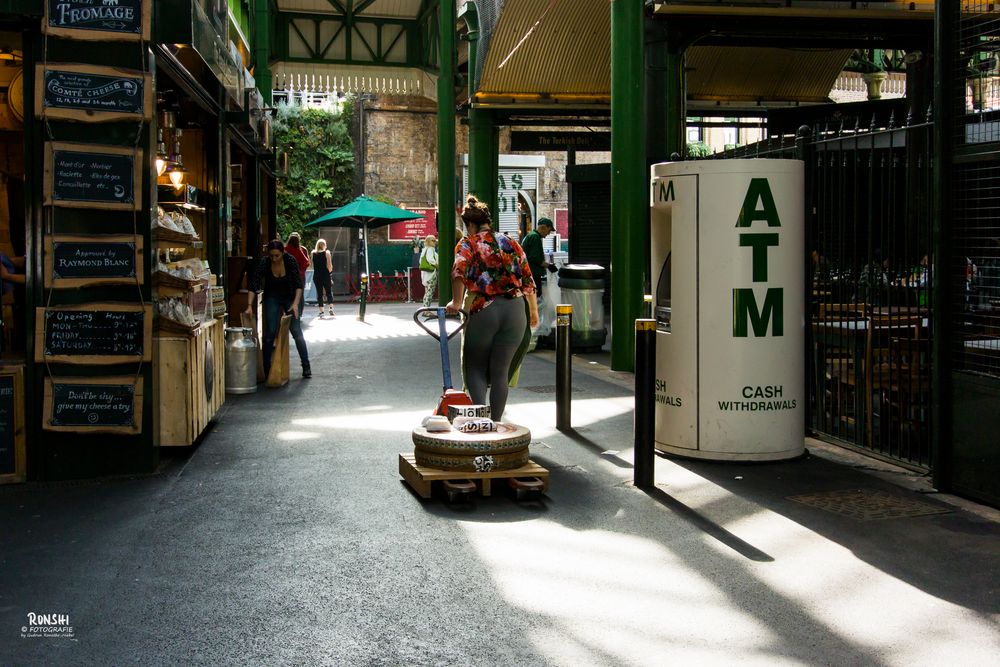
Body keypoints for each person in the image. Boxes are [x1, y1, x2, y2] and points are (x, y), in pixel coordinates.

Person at [445, 194, 539, 421]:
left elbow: (458, 270)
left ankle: (481, 423)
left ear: (470, 224)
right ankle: (496, 423)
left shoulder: (468, 242)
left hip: (483, 309)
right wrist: (533, 312)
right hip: (516, 310)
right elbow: (528, 280)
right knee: (500, 372)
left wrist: (456, 303)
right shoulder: (511, 242)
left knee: (475, 367)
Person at [247, 240, 311, 379]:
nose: (274, 258)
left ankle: (306, 365)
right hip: (272, 296)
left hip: (290, 296)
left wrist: (295, 304)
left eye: (277, 255)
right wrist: (249, 306)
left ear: (283, 253)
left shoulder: (290, 260)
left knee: (296, 330)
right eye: (271, 256)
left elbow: (298, 285)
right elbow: (254, 283)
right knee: (270, 333)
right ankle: (267, 368)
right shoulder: (265, 262)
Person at [520, 218, 557, 298]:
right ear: (543, 227)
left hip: (528, 273)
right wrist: (548, 265)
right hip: (533, 274)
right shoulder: (535, 237)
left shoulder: (530, 235)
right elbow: (534, 258)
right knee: (536, 297)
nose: (548, 234)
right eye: (549, 230)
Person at [285, 232, 310, 314]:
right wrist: (302, 270)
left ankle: (288, 311)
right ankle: (299, 312)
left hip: (287, 275)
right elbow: (306, 262)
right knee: (300, 294)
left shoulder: (285, 249)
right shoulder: (300, 250)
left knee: (288, 293)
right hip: (299, 275)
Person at [312, 239, 335, 317]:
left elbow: (312, 265)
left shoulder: (313, 253)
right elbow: (329, 265)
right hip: (325, 275)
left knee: (319, 293)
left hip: (317, 275)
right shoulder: (327, 253)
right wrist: (330, 272)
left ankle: (322, 312)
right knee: (329, 292)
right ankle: (331, 309)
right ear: (324, 245)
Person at [420, 234, 438, 308]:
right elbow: (430, 259)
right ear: (428, 241)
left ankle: (425, 309)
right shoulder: (430, 249)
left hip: (425, 274)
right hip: (431, 274)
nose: (434, 242)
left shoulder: (424, 250)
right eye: (432, 240)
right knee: (429, 293)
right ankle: (426, 310)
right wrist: (437, 265)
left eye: (435, 240)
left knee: (427, 292)